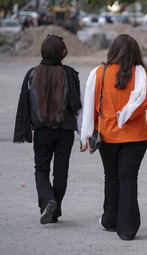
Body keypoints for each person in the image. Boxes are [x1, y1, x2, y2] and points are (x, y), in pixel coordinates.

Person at [81, 34, 147, 241]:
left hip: (107, 136)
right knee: (128, 179)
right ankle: (127, 229)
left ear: (112, 51)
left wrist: (88, 136)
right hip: (136, 137)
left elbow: (92, 107)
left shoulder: (99, 73)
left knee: (111, 177)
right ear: (136, 52)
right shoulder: (142, 74)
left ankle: (110, 220)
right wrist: (129, 112)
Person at [13, 34, 83, 224]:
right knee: (61, 172)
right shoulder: (69, 73)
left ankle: (48, 201)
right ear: (62, 52)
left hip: (42, 131)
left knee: (41, 169)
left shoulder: (32, 74)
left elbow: (25, 105)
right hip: (65, 131)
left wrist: (27, 129)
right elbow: (77, 106)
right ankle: (54, 210)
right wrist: (84, 133)